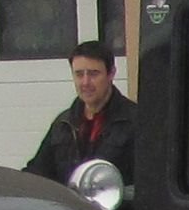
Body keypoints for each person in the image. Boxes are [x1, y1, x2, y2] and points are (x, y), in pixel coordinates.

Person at [24, 41, 134, 189]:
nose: (85, 82)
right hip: (68, 204)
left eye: (93, 74)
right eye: (79, 74)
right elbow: (37, 173)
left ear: (111, 74)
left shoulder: (137, 122)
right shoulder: (63, 124)